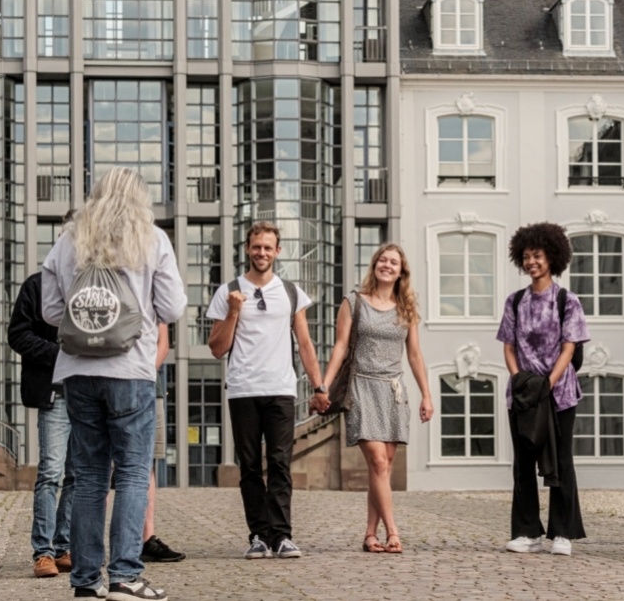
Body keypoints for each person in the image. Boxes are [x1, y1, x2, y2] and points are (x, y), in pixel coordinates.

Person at [43, 168, 187, 601]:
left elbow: (52, 311)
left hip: (78, 370)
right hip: (130, 368)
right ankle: (125, 576)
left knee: (87, 476)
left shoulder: (69, 240)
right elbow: (174, 307)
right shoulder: (152, 239)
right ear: (139, 199)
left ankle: (86, 582)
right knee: (131, 473)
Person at [206, 221, 323, 560]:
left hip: (280, 388)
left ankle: (282, 535)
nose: (262, 253)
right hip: (243, 388)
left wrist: (319, 385)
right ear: (247, 248)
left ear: (277, 251)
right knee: (250, 467)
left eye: (268, 247)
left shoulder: (290, 291)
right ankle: (258, 535)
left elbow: (304, 343)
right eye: (256, 247)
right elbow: (216, 347)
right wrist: (233, 311)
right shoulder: (228, 291)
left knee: (280, 463)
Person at [311, 243, 434, 554]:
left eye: (394, 262)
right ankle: (393, 532)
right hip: (362, 388)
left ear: (401, 271)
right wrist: (323, 385)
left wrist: (426, 395)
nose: (387, 265)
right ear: (374, 265)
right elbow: (340, 347)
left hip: (393, 391)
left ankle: (369, 534)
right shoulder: (354, 302)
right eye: (383, 259)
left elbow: (416, 355)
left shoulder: (407, 309)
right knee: (378, 462)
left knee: (384, 467)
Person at [496, 222, 589, 556]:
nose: (531, 261)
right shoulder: (515, 300)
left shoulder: (567, 300)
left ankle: (562, 533)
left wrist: (547, 384)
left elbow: (569, 347)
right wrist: (521, 380)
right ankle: (526, 532)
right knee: (523, 462)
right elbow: (508, 346)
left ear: (552, 257)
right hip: (521, 397)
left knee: (561, 461)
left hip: (559, 395)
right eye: (526, 256)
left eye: (536, 255)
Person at [9, 270, 73, 579]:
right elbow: (17, 334)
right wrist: (59, 354)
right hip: (55, 393)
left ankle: (63, 548)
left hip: (90, 393)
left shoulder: (97, 282)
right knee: (51, 473)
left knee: (78, 476)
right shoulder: (37, 285)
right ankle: (43, 552)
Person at [142, 323, 186, 563]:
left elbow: (163, 343)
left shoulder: (151, 287)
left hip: (149, 386)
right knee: (102, 467)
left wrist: (143, 374)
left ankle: (147, 539)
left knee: (146, 464)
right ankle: (91, 545)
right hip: (110, 382)